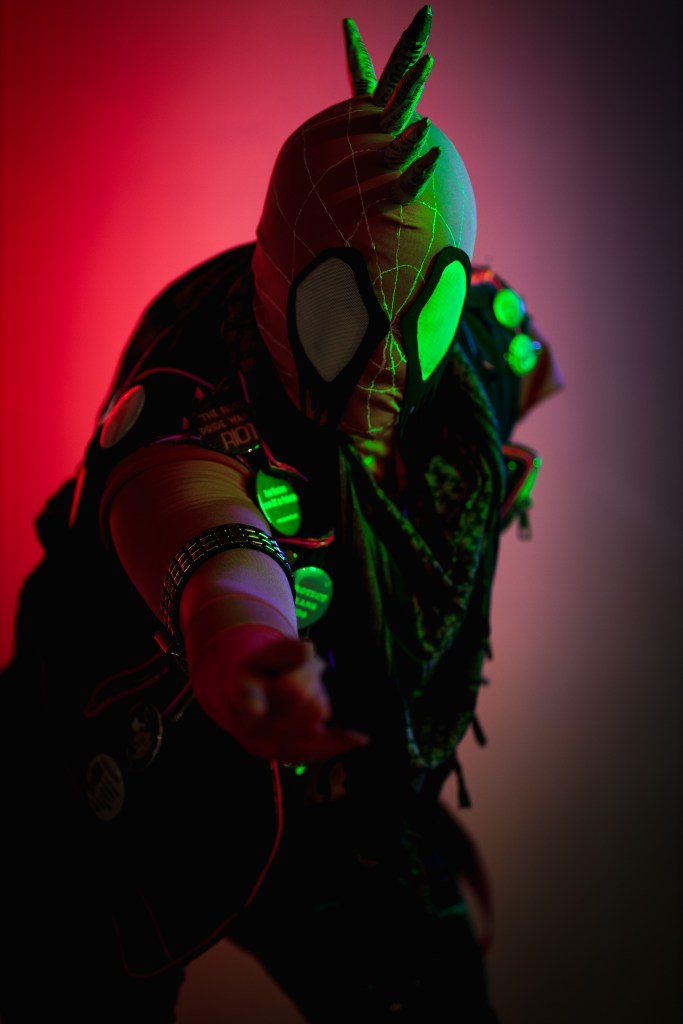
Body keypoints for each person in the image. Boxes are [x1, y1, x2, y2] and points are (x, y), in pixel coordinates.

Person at [0, 6, 563, 1022]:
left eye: (419, 310)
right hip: (115, 804)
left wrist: (405, 777)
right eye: (344, 307)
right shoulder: (186, 390)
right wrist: (236, 643)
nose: (388, 361)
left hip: (350, 811)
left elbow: (514, 376)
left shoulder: (476, 350)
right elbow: (194, 516)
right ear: (281, 270)